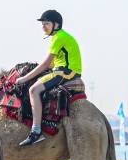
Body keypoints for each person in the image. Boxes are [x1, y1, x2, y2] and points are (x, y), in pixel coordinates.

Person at [15, 9, 83, 146]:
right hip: (63, 70)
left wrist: (24, 78)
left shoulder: (59, 38)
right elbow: (51, 63)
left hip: (64, 72)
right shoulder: (59, 37)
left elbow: (46, 64)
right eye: (42, 24)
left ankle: (36, 131)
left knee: (33, 90)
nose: (43, 27)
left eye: (46, 23)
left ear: (56, 24)